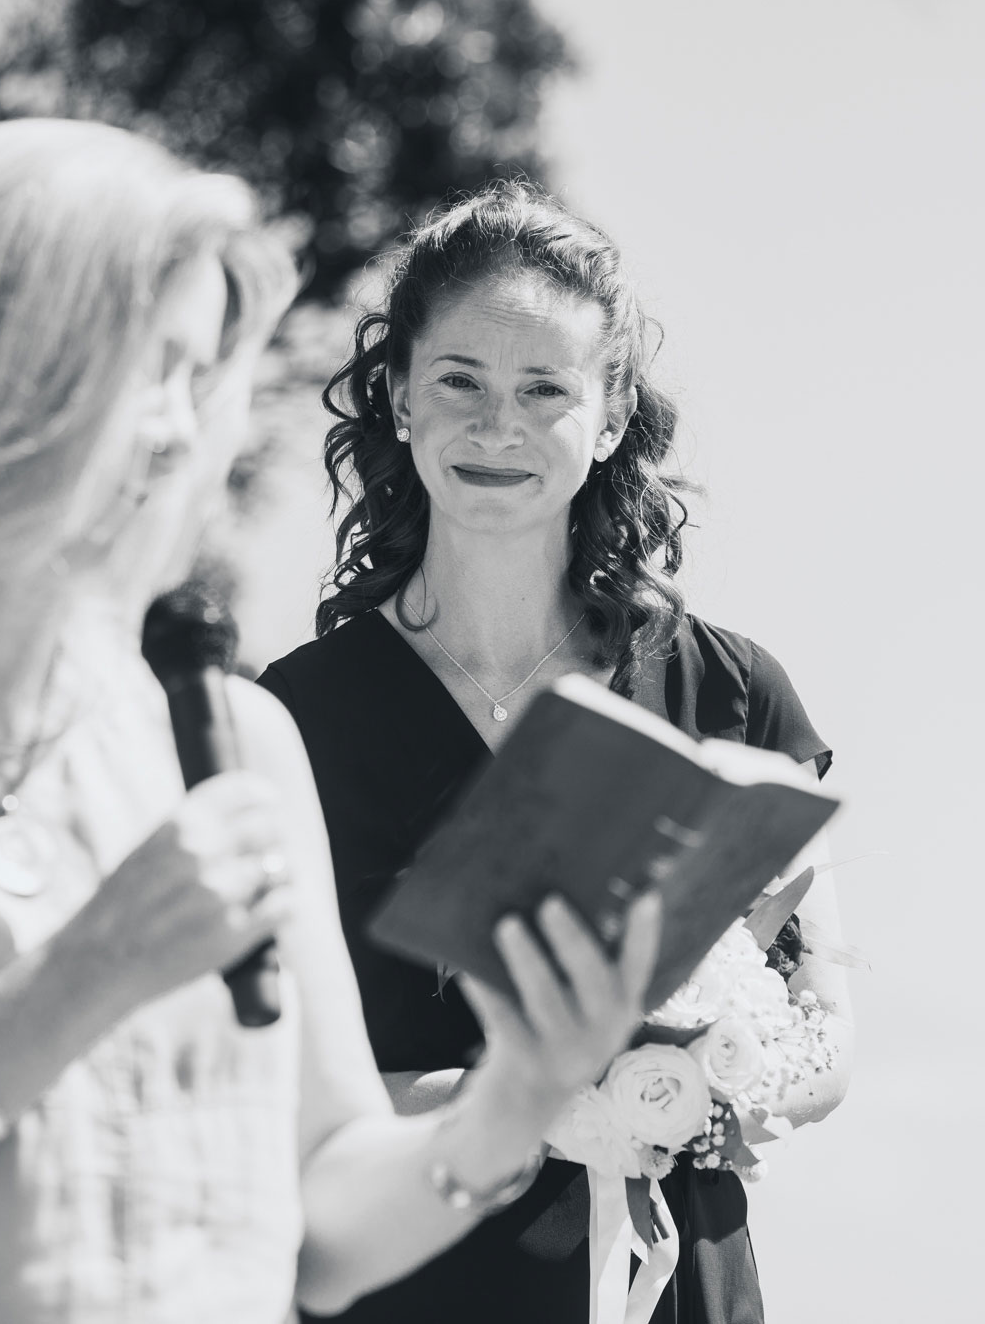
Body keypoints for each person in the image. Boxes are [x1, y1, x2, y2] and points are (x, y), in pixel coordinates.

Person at [0, 122, 662, 1324]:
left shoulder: (237, 744)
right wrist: (78, 980)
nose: (184, 428)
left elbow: (326, 1230)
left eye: (206, 375)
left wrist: (519, 1090)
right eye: (150, 364)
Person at [257, 183, 857, 1324]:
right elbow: (269, 1085)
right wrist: (546, 1101)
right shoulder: (286, 725)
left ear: (612, 413)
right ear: (393, 396)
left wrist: (683, 1089)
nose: (499, 427)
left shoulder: (731, 692)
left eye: (544, 389)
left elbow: (824, 1042)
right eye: (459, 383)